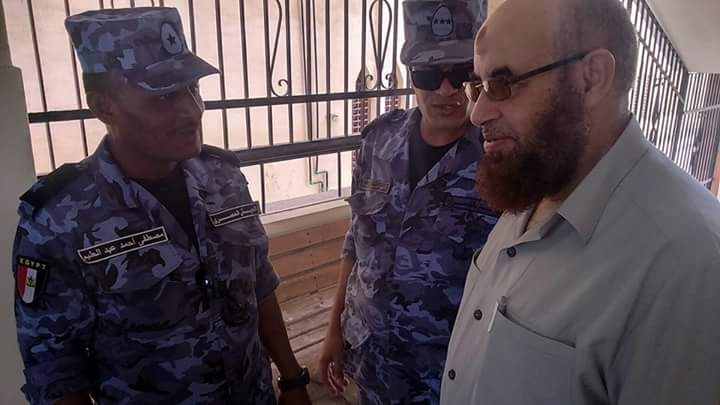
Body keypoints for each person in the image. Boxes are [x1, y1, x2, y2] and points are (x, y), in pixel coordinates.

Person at [12, 7, 311, 405]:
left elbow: (259, 286)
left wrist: (292, 379)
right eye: (164, 96)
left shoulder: (222, 178)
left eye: (193, 88)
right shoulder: (59, 221)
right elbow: (54, 372)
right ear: (104, 107)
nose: (192, 110)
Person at [441, 0, 720, 403]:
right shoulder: (538, 177)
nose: (477, 113)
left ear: (591, 79)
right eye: (478, 86)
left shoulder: (688, 267)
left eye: (503, 84)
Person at [317, 1, 496, 404]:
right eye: (429, 74)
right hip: (371, 363)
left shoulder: (498, 160)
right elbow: (356, 242)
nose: (446, 90)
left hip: (446, 376)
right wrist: (334, 331)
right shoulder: (377, 142)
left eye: (461, 73)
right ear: (411, 74)